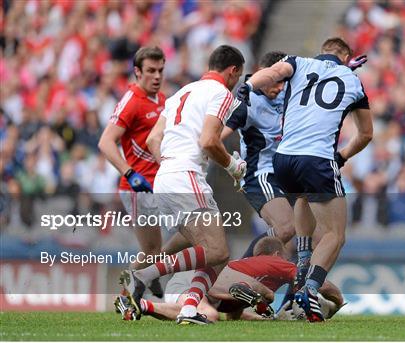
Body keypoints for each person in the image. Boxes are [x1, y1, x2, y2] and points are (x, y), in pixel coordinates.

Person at [236, 37, 373, 322]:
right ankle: (309, 290)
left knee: (301, 202)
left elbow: (272, 74)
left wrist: (246, 87)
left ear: (322, 51)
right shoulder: (353, 79)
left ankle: (301, 265)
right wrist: (343, 156)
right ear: (347, 56)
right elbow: (365, 134)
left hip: (283, 159)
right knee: (335, 235)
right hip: (318, 158)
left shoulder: (298, 62)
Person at [121, 45, 247, 325]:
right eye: (237, 77)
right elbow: (209, 141)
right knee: (217, 251)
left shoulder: (180, 93)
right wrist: (233, 167)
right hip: (186, 175)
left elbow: (154, 139)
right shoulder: (221, 93)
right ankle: (144, 275)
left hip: (167, 175)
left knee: (215, 253)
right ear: (233, 71)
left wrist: (169, 163)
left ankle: (189, 309)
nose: (236, 82)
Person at [115, 237, 344, 321]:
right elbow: (317, 280)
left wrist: (266, 319)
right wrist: (337, 301)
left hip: (202, 284)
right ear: (276, 255)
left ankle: (141, 305)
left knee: (215, 311)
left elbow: (233, 317)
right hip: (201, 281)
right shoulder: (277, 263)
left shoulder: (249, 266)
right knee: (211, 314)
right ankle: (254, 295)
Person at [98, 46, 166, 297]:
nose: (157, 76)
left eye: (160, 70)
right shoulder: (131, 101)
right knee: (152, 251)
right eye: (150, 71)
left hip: (158, 185)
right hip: (138, 188)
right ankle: (127, 294)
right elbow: (105, 142)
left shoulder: (161, 99)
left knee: (160, 247)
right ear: (137, 72)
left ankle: (151, 273)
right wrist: (129, 173)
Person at [221, 51, 296, 258]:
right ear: (263, 74)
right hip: (260, 173)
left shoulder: (289, 91)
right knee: (286, 228)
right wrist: (229, 163)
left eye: (284, 81)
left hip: (288, 174)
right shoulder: (246, 103)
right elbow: (215, 137)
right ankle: (237, 274)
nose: (281, 87)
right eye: (277, 81)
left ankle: (291, 290)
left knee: (308, 236)